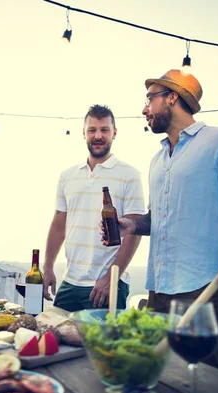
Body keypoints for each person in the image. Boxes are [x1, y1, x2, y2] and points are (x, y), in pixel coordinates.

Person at [106, 69, 218, 374]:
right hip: (159, 293)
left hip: (207, 289)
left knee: (213, 385)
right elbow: (160, 219)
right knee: (160, 379)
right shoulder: (158, 159)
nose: (144, 109)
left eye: (149, 99)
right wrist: (131, 225)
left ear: (172, 97)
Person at [42, 105, 146, 312]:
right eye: (92, 130)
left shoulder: (130, 174)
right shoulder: (67, 176)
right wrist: (47, 267)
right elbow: (58, 224)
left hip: (108, 286)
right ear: (84, 133)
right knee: (56, 341)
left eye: (104, 130)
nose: (98, 135)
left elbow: (134, 233)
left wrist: (110, 277)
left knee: (102, 345)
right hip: (70, 283)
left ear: (114, 133)